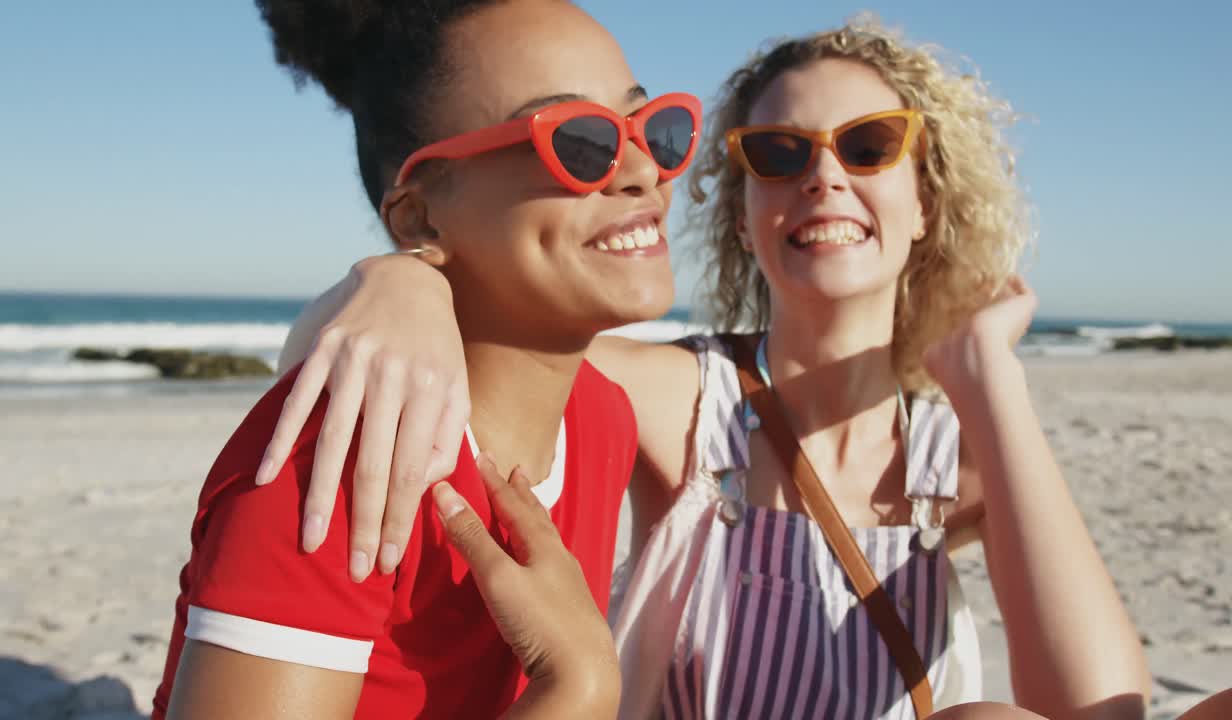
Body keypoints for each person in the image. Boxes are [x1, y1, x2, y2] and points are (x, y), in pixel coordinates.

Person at [260, 18, 1178, 720]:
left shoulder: (966, 454)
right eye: (777, 155)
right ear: (742, 216)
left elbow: (1101, 708)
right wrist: (400, 280)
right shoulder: (681, 400)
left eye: (868, 147)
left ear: (925, 202)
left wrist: (989, 374)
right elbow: (340, 368)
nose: (822, 177)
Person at [150, 0, 704, 717]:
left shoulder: (601, 419)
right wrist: (579, 690)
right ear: (417, 217)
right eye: (579, 141)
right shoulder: (341, 458)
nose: (641, 172)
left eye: (655, 129)